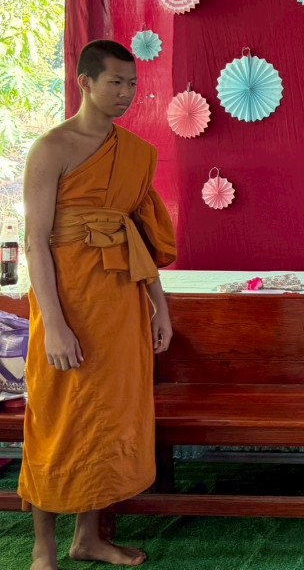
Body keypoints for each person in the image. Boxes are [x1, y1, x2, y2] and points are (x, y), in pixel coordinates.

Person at [19, 39, 176, 569]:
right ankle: (42, 548)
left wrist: (159, 305)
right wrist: (55, 325)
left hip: (119, 304)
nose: (126, 93)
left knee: (107, 418)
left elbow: (140, 235)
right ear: (84, 82)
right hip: (66, 303)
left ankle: (88, 537)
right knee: (56, 416)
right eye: (116, 82)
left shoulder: (135, 153)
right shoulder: (51, 149)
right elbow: (35, 242)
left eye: (132, 84)